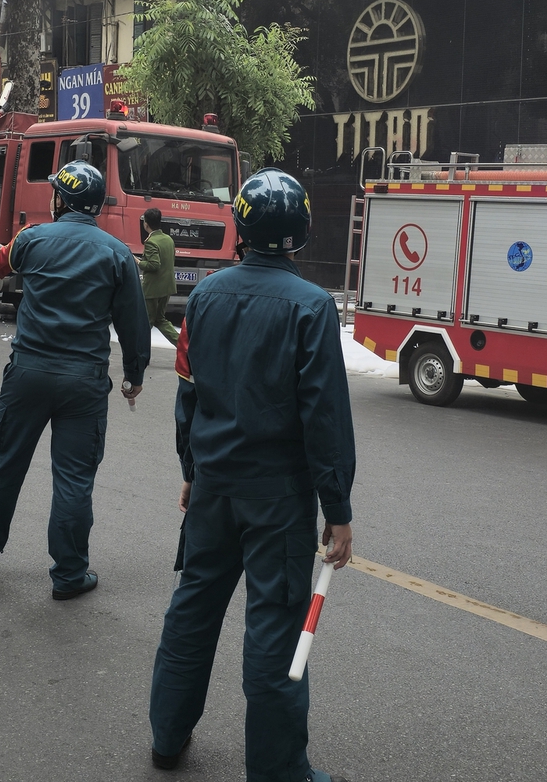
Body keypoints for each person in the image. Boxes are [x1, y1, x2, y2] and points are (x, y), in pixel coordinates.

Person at [146, 169, 356, 782]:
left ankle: (167, 737)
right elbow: (324, 418)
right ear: (300, 231)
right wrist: (337, 510)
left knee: (193, 608)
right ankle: (277, 770)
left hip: (213, 487)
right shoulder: (312, 307)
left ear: (242, 225)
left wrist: (191, 469)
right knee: (274, 629)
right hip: (278, 500)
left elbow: (189, 393)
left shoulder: (206, 296)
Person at [0, 161, 148, 598]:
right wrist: (134, 374)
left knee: (5, 462)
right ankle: (68, 575)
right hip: (84, 382)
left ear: (60, 199)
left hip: (28, 373)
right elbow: (134, 323)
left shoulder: (31, 239)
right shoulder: (116, 253)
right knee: (74, 480)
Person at [139, 208, 180, 346]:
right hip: (167, 287)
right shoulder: (168, 239)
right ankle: (184, 346)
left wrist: (137, 261)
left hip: (152, 289)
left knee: (146, 322)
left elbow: (153, 265)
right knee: (160, 320)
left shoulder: (151, 242)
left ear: (146, 224)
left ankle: (140, 353)